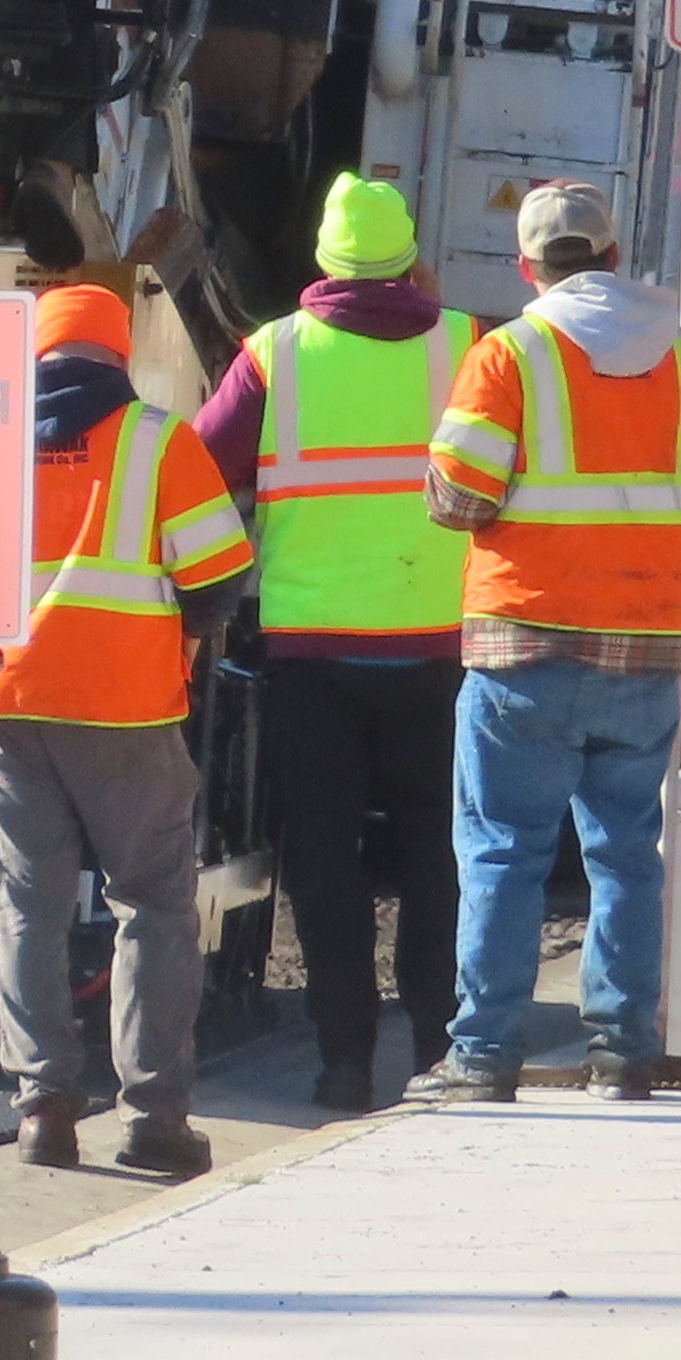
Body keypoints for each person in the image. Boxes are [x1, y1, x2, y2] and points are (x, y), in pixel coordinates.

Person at [413, 179, 681, 1102]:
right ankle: (623, 1050)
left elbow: (459, 498)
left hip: (522, 644)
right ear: (611, 257)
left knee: (502, 853)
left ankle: (483, 1058)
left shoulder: (508, 354)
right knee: (626, 855)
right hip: (642, 649)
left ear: (529, 269)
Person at [189, 168, 471, 1111]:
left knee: (323, 860)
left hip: (314, 655)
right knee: (441, 850)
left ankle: (344, 1061)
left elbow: (195, 469)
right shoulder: (468, 344)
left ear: (325, 258)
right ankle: (440, 1047)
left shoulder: (275, 353)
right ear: (407, 259)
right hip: (440, 648)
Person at [0, 281, 256, 1182]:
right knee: (153, 904)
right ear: (119, 353)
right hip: (128, 710)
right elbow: (218, 578)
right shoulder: (157, 440)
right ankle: (152, 1116)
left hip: (8, 705)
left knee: (25, 906)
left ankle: (42, 1109)